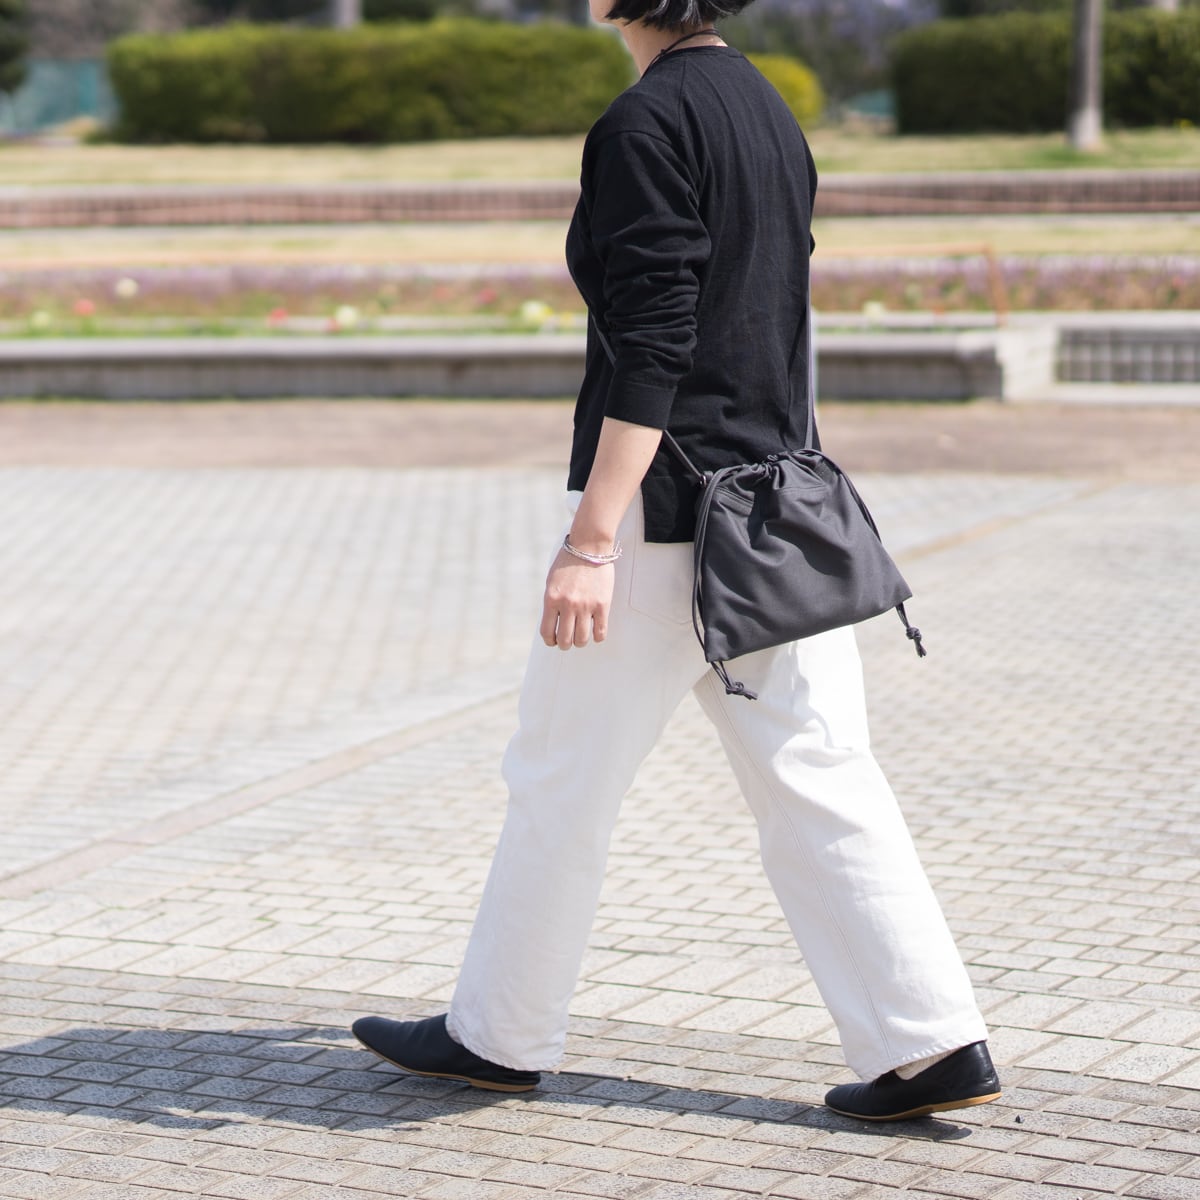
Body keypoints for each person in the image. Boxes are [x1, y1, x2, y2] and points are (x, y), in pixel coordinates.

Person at [351, 0, 1001, 1122]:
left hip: (660, 523)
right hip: (774, 517)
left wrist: (590, 540)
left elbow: (656, 339)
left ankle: (497, 1036)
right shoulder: (766, 109)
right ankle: (930, 1042)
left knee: (560, 779)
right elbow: (774, 320)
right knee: (824, 777)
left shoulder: (643, 123)